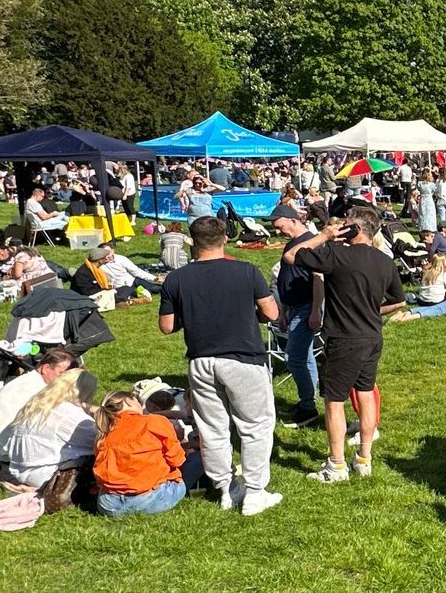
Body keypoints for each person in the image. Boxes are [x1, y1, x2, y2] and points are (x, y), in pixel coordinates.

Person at [158, 216, 283, 515]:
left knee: (211, 428)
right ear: (225, 238)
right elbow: (272, 312)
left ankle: (226, 489)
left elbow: (166, 326)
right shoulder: (246, 271)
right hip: (243, 358)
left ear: (192, 241)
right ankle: (254, 491)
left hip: (201, 360)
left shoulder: (176, 279)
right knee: (255, 426)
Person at [284, 206, 405, 484]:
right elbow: (399, 301)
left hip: (344, 340)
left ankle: (336, 465)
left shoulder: (336, 254)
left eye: (347, 224)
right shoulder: (385, 261)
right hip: (372, 337)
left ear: (356, 229)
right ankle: (364, 458)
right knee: (365, 394)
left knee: (334, 402)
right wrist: (373, 311)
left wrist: (324, 235)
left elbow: (291, 255)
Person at [92, 390, 195, 517]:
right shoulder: (154, 422)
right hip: (149, 501)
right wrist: (177, 439)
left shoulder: (105, 431)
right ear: (128, 401)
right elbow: (177, 460)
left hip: (108, 505)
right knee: (179, 482)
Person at [0, 368, 98, 490]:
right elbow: (98, 442)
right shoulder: (70, 415)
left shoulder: (37, 403)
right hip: (44, 476)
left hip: (19, 469)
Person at [270, 205, 321, 429]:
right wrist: (282, 310)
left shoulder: (311, 242)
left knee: (294, 357)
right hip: (294, 306)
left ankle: (308, 406)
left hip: (307, 305)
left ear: (292, 220)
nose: (279, 231)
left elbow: (320, 278)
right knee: (305, 355)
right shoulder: (293, 243)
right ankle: (308, 401)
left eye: (281, 227)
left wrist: (317, 309)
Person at [0, 348, 77, 450]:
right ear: (45, 368)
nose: (65, 380)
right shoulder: (41, 391)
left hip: (2, 444)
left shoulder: (26, 380)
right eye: (61, 374)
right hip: (11, 449)